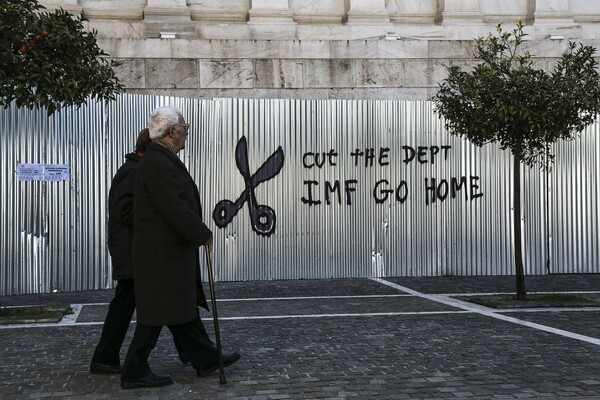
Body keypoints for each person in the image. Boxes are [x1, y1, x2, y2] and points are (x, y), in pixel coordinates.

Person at [120, 107, 240, 389]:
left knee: (179, 309)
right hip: (161, 254)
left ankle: (206, 358)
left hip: (166, 251)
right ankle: (134, 370)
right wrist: (201, 233)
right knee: (156, 315)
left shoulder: (160, 158)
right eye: (185, 127)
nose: (187, 131)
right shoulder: (158, 162)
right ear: (173, 132)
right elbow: (173, 206)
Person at [90, 129, 189, 375]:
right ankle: (108, 358)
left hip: (135, 250)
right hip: (132, 251)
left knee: (138, 303)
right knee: (142, 303)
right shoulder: (134, 171)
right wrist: (152, 218)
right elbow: (122, 210)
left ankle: (195, 351)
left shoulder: (137, 169)